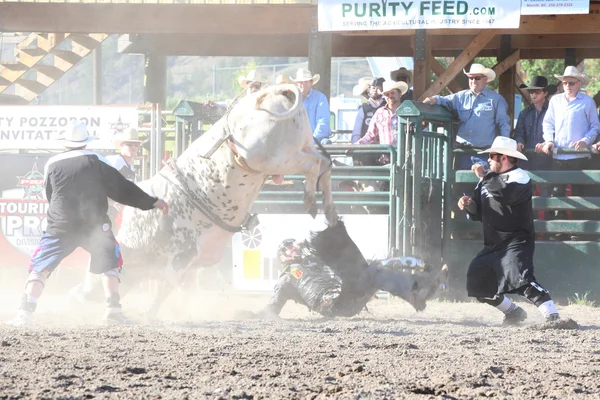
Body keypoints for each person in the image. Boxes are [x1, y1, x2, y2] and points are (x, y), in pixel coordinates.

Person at [7, 121, 169, 326]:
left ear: (65, 143)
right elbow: (121, 188)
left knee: (40, 267)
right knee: (111, 260)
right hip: (93, 223)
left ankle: (25, 312)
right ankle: (113, 310)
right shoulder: (96, 160)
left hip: (61, 223)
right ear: (85, 144)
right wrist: (151, 202)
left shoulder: (52, 163)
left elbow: (50, 193)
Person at [458, 136, 560, 325]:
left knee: (520, 277)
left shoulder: (520, 176)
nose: (488, 159)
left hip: (516, 240)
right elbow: (478, 212)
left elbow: (505, 195)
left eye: (491, 155)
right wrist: (468, 205)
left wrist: (483, 176)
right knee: (477, 280)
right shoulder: (486, 180)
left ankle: (552, 315)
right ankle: (513, 312)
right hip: (494, 242)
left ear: (504, 157)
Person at [255, 220, 444, 318]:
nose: (291, 249)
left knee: (374, 269)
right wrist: (265, 312)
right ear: (282, 258)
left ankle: (418, 291)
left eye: (291, 245)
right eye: (286, 249)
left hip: (347, 297)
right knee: (371, 271)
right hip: (332, 303)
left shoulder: (314, 259)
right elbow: (276, 299)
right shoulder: (290, 274)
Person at [541, 66, 600, 227]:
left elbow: (595, 126)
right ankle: (558, 230)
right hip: (558, 155)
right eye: (565, 82)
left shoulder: (588, 102)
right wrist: (549, 140)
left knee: (579, 195)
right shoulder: (555, 100)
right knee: (557, 194)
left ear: (579, 83)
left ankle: (578, 230)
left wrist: (586, 140)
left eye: (571, 83)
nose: (568, 85)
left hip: (579, 156)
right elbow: (548, 124)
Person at [423, 64, 511, 170]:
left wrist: (502, 150)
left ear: (485, 79)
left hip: (485, 154)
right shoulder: (460, 97)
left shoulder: (496, 99)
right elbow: (444, 100)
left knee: (484, 185)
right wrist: (433, 99)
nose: (473, 81)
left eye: (477, 78)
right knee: (460, 185)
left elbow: (504, 124)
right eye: (470, 78)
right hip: (462, 153)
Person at [514, 76, 556, 217]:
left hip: (547, 162)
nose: (533, 94)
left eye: (537, 91)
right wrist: (519, 141)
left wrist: (548, 143)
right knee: (527, 196)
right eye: (531, 91)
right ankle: (532, 228)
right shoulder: (524, 113)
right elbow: (519, 132)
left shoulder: (554, 111)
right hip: (527, 161)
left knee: (547, 196)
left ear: (545, 93)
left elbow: (558, 134)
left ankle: (547, 229)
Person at [356, 80, 408, 165]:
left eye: (393, 93)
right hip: (386, 160)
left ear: (400, 94)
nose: (390, 96)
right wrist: (356, 145)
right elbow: (370, 135)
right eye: (387, 94)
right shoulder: (379, 113)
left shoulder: (408, 111)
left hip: (406, 159)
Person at [290, 68, 331, 144]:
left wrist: (312, 140)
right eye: (300, 82)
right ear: (297, 83)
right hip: (296, 141)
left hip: (318, 140)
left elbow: (323, 121)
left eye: (305, 81)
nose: (302, 84)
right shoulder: (292, 99)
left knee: (326, 143)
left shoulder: (320, 98)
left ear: (311, 82)